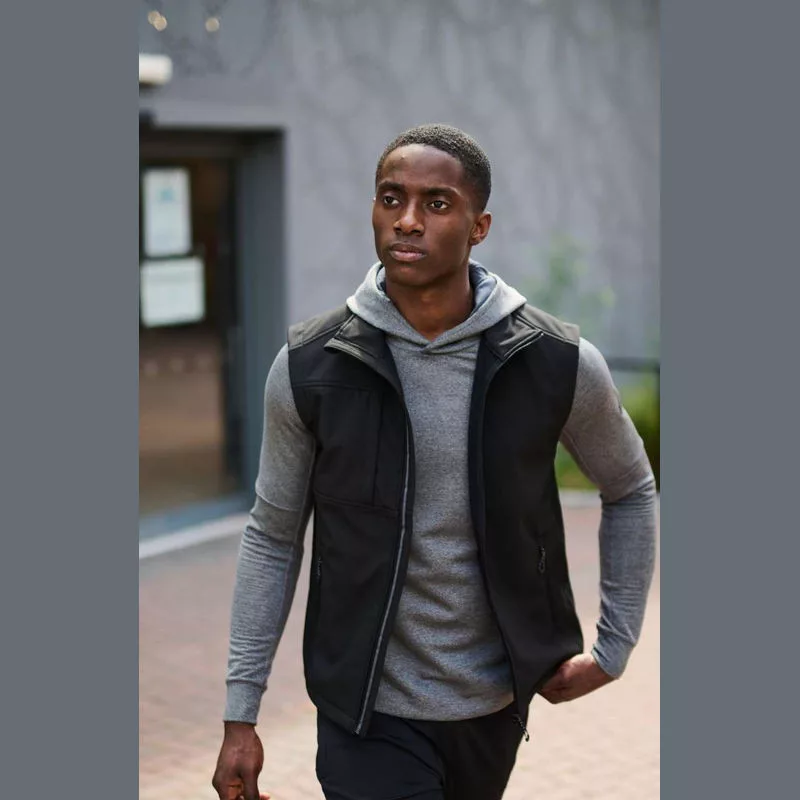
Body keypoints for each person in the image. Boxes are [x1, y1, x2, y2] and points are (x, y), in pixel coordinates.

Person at [212, 124, 657, 800]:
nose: (408, 221)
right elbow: (272, 537)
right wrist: (240, 713)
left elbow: (630, 487)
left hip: (493, 706)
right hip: (365, 711)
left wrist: (615, 646)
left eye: (436, 203)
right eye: (391, 199)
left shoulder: (554, 362)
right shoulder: (311, 367)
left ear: (479, 227)